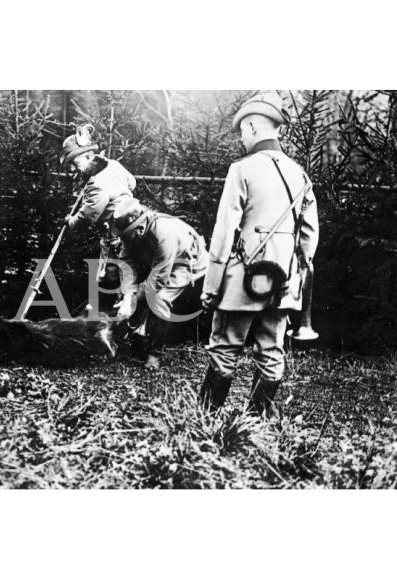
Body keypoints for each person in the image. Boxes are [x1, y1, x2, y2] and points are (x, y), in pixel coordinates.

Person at [199, 91, 320, 416]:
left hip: (244, 278)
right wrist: (295, 277)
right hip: (283, 281)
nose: (242, 138)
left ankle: (204, 422)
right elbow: (309, 239)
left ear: (252, 126)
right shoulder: (300, 175)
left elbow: (224, 232)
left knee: (224, 348)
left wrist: (211, 287)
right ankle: (254, 424)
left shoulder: (242, 169)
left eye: (242, 130)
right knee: (271, 351)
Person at [114, 198, 208, 371]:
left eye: (127, 235)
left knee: (159, 299)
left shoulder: (164, 233)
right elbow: (126, 263)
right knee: (128, 293)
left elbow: (158, 279)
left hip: (185, 262)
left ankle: (155, 353)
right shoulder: (132, 234)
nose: (125, 240)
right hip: (157, 261)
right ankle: (135, 336)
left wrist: (133, 300)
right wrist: (127, 295)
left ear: (140, 229)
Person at [60, 125, 136, 282]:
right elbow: (132, 183)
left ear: (88, 157)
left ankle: (111, 290)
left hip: (116, 226)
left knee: (112, 264)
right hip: (133, 214)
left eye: (76, 163)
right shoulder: (113, 164)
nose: (75, 169)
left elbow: (89, 214)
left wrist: (71, 222)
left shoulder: (94, 180)